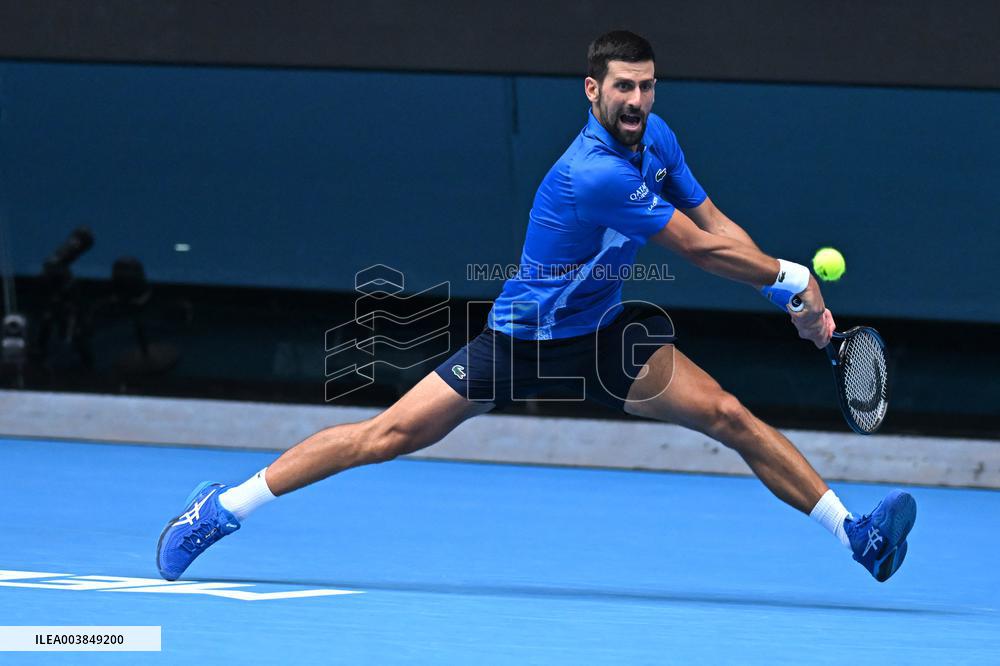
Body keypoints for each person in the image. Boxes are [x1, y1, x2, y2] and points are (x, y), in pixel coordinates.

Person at [156, 30, 915, 583]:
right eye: (624, 86)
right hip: (522, 342)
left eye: (648, 86)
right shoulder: (592, 173)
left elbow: (718, 224)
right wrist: (787, 278)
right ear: (593, 90)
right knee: (385, 435)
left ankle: (858, 538)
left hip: (606, 335)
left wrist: (793, 300)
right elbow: (699, 250)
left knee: (729, 416)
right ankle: (219, 510)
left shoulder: (658, 141)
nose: (638, 100)